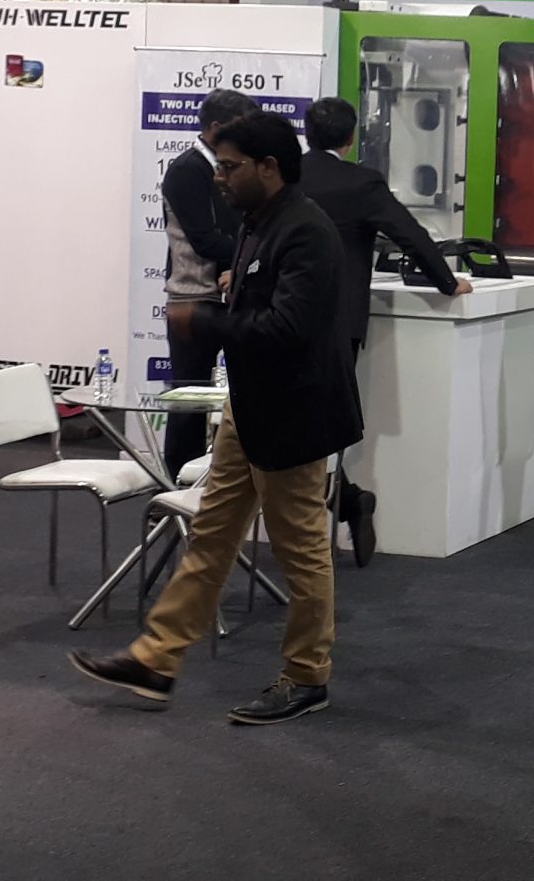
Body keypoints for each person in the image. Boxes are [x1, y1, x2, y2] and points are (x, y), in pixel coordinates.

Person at [70, 111, 358, 725]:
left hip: (293, 413)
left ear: (268, 167)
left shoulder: (306, 230)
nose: (219, 177)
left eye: (229, 167)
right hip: (248, 408)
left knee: (302, 551)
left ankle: (307, 676)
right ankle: (156, 658)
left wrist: (202, 319)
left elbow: (286, 329)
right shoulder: (259, 222)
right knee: (211, 535)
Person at [297, 95, 471, 564]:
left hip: (281, 318)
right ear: (351, 138)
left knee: (298, 422)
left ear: (307, 133)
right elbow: (411, 235)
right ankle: (347, 502)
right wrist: (447, 282)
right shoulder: (362, 182)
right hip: (338, 322)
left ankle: (337, 508)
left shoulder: (285, 176)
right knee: (324, 421)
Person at [159, 88, 254, 477]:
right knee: (189, 404)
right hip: (193, 299)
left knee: (244, 397)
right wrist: (256, 253)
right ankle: (174, 489)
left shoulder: (231, 167)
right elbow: (205, 239)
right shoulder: (188, 170)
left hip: (231, 296)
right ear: (215, 127)